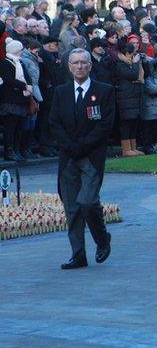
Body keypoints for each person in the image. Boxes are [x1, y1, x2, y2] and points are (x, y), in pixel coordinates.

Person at [48, 48, 116, 269]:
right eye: (75, 63)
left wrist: (83, 145)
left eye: (83, 63)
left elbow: (105, 124)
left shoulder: (104, 91)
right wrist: (70, 146)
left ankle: (102, 238)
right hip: (68, 157)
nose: (79, 66)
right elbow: (54, 122)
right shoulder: (61, 92)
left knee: (87, 201)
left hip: (91, 156)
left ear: (90, 66)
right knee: (72, 208)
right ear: (69, 66)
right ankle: (78, 254)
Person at [0, 40, 34, 161]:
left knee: (20, 127)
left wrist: (29, 86)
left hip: (21, 100)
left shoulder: (20, 63)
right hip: (10, 100)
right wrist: (24, 86)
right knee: (11, 127)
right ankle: (9, 151)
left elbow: (27, 77)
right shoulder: (4, 63)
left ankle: (16, 149)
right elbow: (8, 79)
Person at [113, 43, 145, 156]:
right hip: (126, 97)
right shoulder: (120, 64)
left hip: (134, 96)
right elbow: (132, 75)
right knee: (126, 123)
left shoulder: (131, 63)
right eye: (132, 54)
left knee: (134, 122)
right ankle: (126, 149)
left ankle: (133, 147)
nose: (134, 56)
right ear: (127, 53)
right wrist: (136, 63)